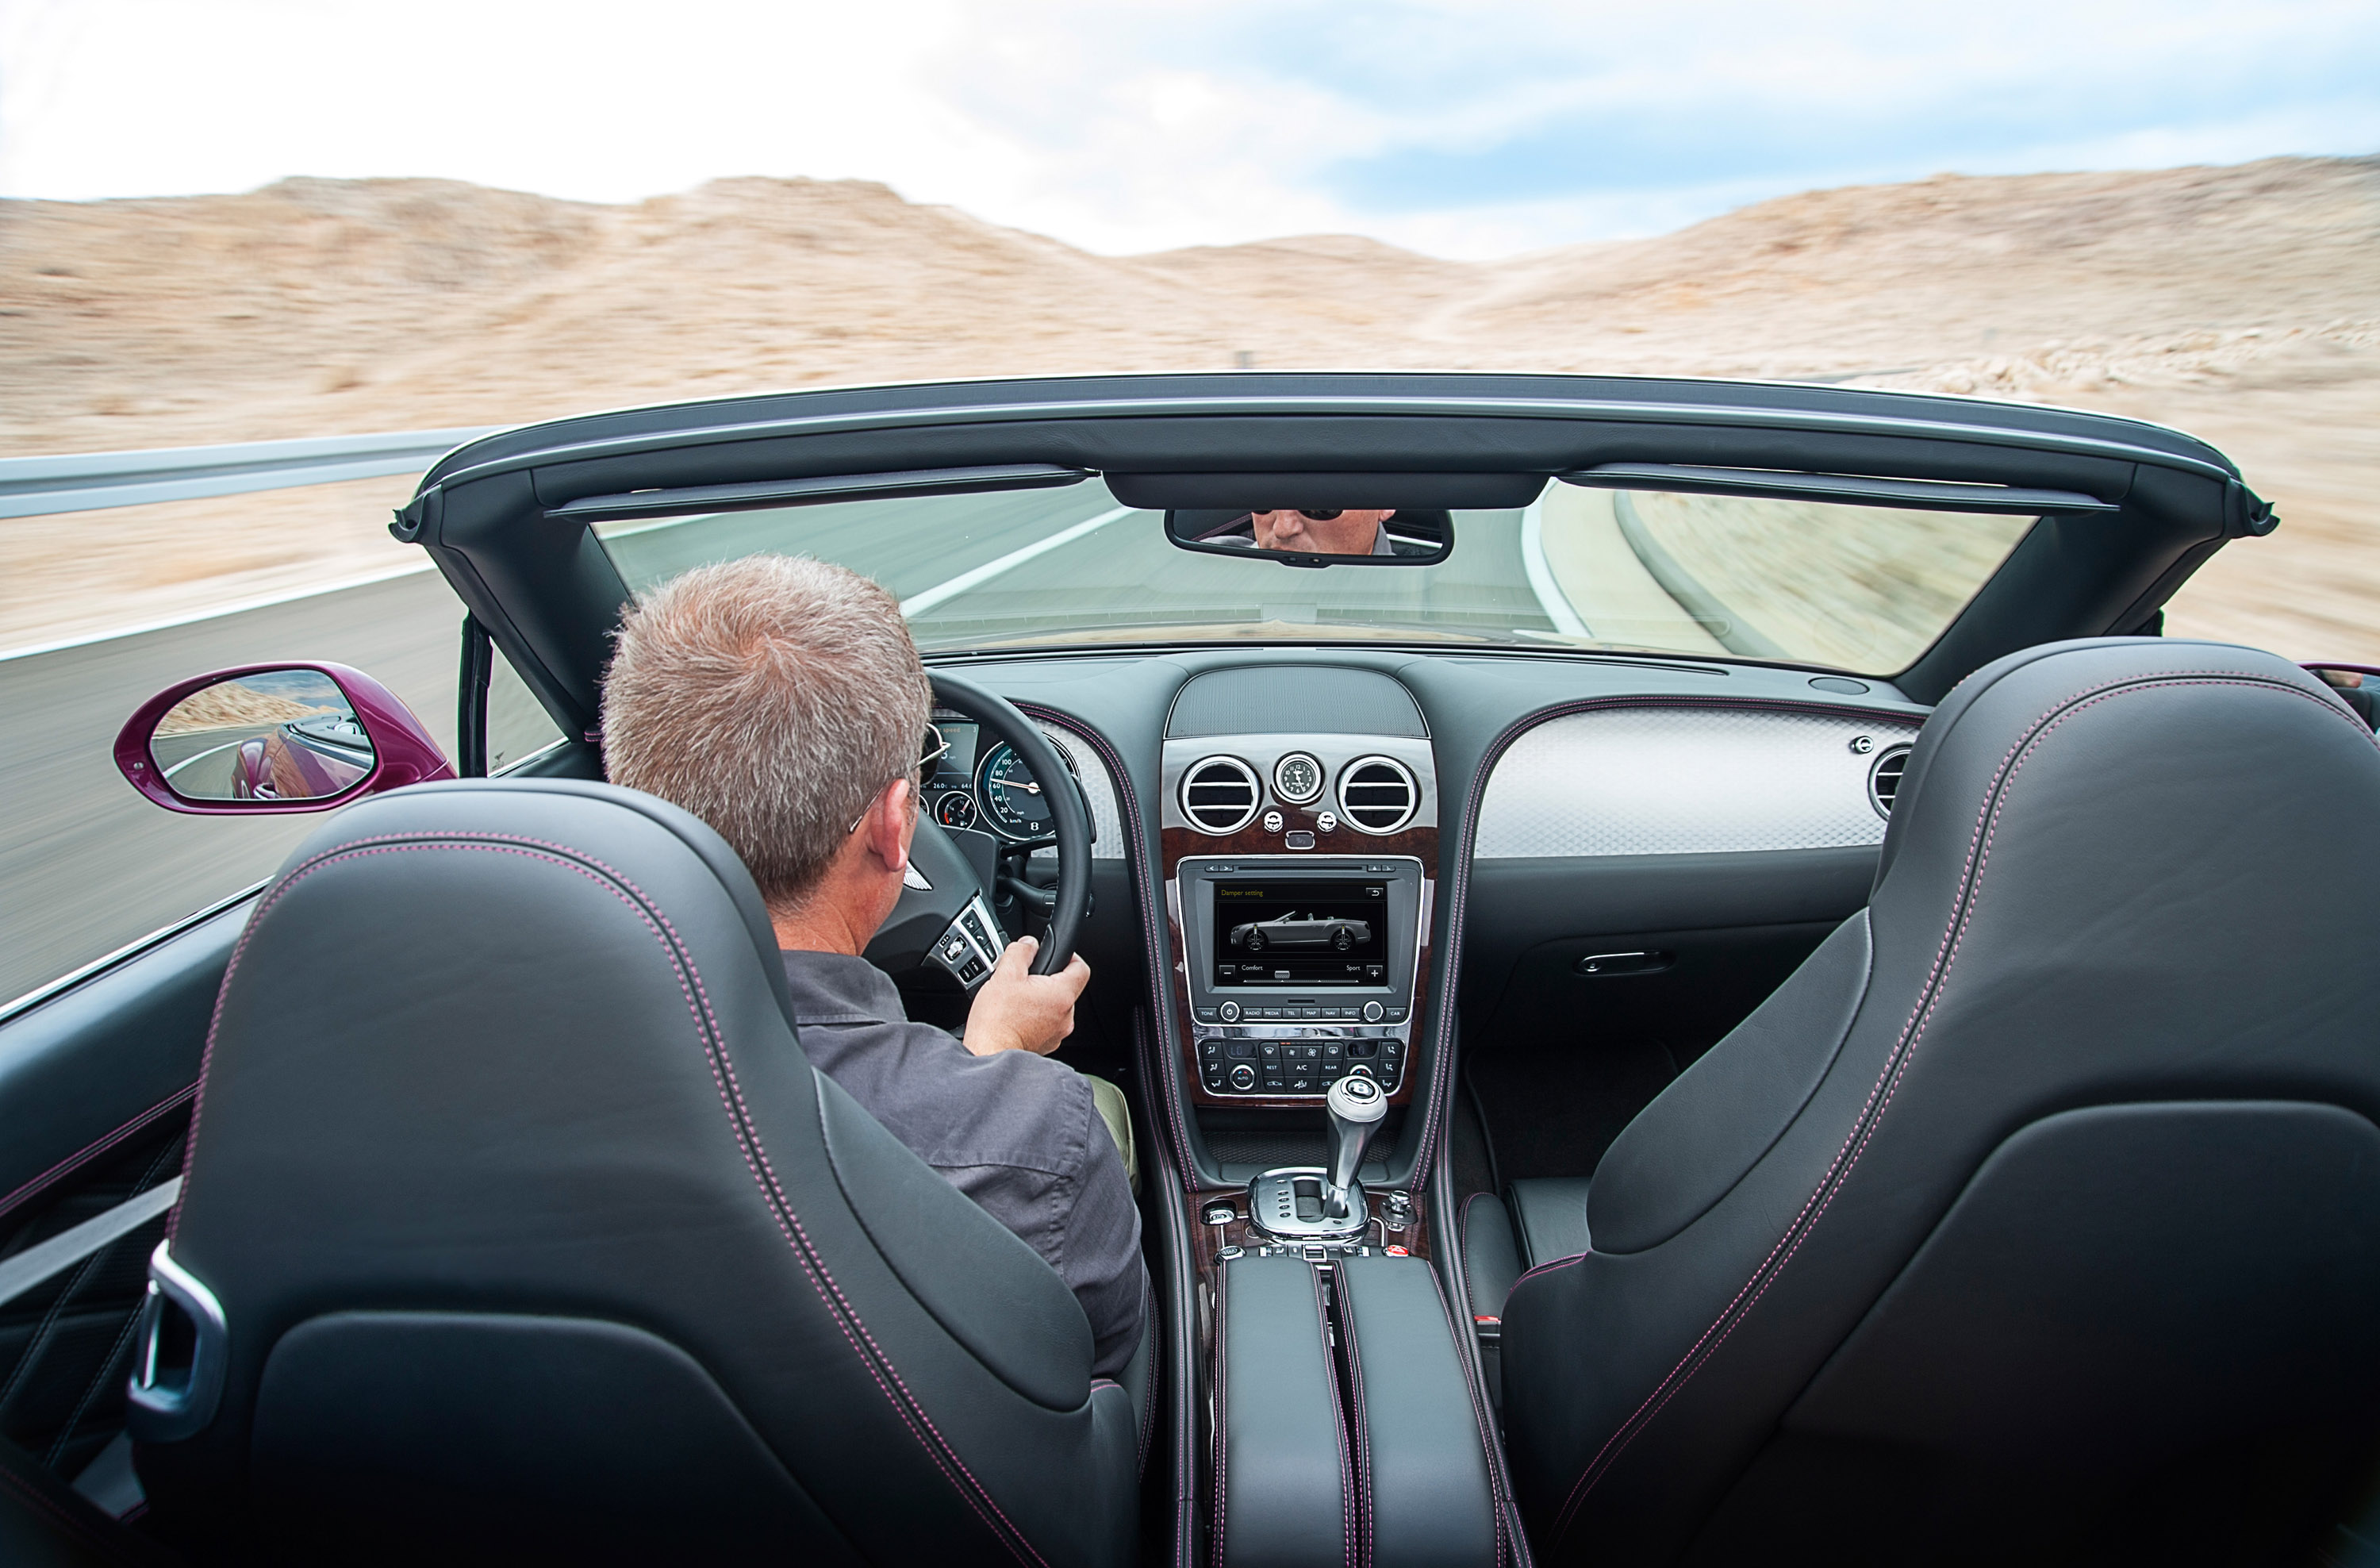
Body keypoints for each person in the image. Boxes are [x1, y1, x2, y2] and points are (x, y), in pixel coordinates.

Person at [600, 555, 1146, 1378]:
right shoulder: (1040, 1135)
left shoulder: (492, 1080)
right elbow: (1101, 1350)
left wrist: (977, 1066)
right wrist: (987, 1074)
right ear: (897, 828)